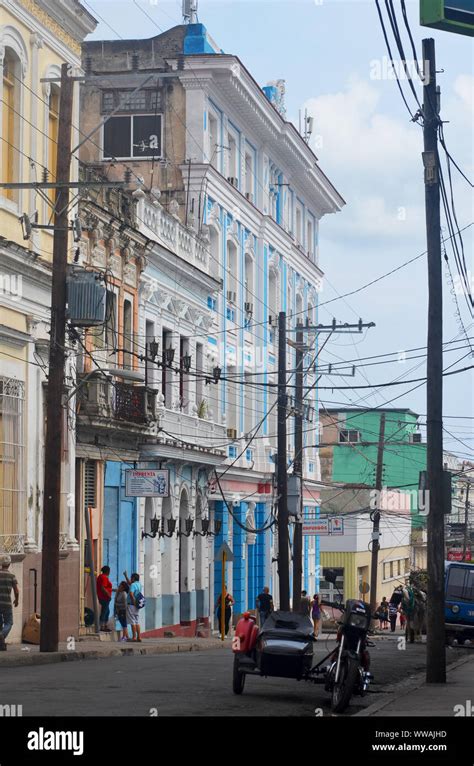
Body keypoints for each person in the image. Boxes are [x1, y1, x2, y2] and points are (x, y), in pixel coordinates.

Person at [0, 555, 19, 650]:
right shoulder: (12, 576)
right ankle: (2, 635)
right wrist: (16, 600)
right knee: (9, 622)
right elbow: (16, 591)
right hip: (6, 604)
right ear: (9, 564)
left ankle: (1, 643)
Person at [124, 570, 142, 642]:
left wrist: (133, 602)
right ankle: (139, 637)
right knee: (137, 621)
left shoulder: (133, 585)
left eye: (131, 578)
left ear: (134, 578)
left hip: (132, 605)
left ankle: (134, 637)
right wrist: (126, 576)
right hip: (137, 605)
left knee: (132, 622)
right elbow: (130, 583)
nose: (131, 579)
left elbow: (131, 594)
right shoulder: (138, 584)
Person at [96, 565, 113, 632]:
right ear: (107, 571)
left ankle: (105, 625)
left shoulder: (100, 576)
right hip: (104, 597)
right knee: (104, 611)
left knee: (107, 611)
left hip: (101, 596)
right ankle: (102, 626)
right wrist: (108, 595)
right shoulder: (104, 577)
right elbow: (103, 588)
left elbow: (105, 588)